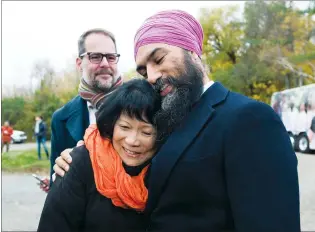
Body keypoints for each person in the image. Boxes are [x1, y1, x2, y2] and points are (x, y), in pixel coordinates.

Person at [54, 10, 300, 231]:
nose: (151, 76)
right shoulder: (166, 117)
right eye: (143, 70)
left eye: (158, 59)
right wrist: (77, 159)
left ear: (193, 52)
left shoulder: (249, 119)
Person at [37, 79, 161, 232]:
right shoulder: (79, 163)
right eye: (124, 127)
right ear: (112, 126)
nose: (132, 141)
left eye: (146, 132)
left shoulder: (165, 170)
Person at [39, 28, 123, 191]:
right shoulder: (61, 118)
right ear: (79, 63)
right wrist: (56, 178)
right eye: (95, 57)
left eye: (111, 57)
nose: (105, 63)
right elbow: (57, 181)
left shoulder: (141, 104)